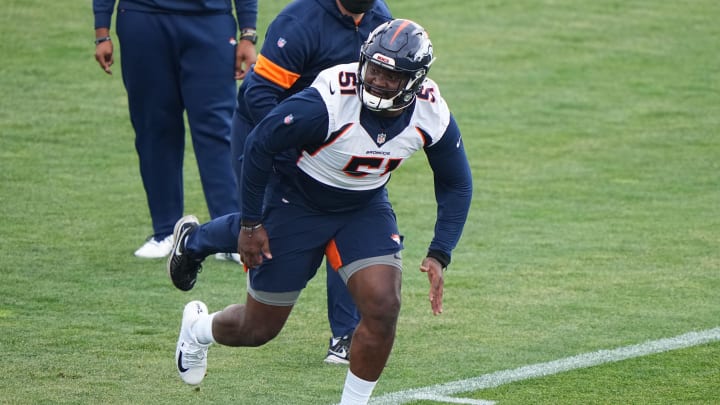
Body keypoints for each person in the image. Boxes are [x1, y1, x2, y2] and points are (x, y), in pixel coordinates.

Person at [169, 19, 473, 404]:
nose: (377, 81)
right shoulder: (331, 98)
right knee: (259, 328)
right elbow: (261, 141)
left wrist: (440, 251)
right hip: (297, 200)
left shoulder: (431, 111)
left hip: (363, 205)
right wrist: (250, 222)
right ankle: (198, 329)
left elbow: (456, 181)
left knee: (383, 305)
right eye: (374, 69)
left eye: (391, 76)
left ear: (415, 80)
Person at [170, 0, 392, 364]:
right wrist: (303, 145)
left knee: (350, 219)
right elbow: (258, 95)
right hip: (271, 132)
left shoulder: (383, 23)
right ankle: (195, 241)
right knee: (266, 226)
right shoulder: (299, 21)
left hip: (333, 146)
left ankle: (345, 335)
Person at [92, 0, 258, 260]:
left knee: (217, 131)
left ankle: (229, 235)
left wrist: (248, 33)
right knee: (154, 129)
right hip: (143, 20)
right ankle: (165, 231)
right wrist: (101, 31)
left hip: (210, 21)